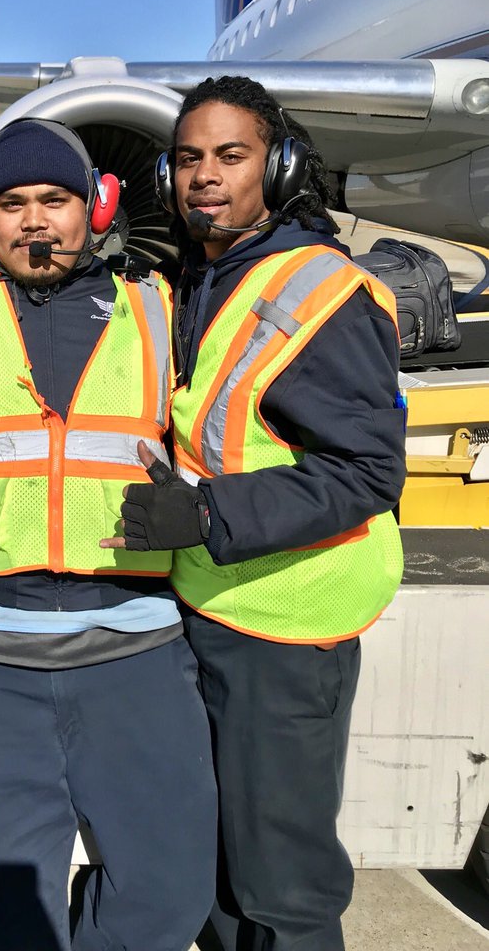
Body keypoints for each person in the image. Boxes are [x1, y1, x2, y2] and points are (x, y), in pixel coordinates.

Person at [105, 76, 407, 951]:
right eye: (188, 158)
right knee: (223, 872)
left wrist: (206, 516)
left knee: (283, 885)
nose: (205, 175)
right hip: (217, 605)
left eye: (230, 156)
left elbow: (367, 470)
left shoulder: (320, 291)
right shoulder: (211, 271)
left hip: (286, 627)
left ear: (277, 168)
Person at [0, 117, 218, 951]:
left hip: (135, 647)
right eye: (10, 203)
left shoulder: (161, 308)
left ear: (96, 206)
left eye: (54, 199)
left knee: (167, 896)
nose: (34, 220)